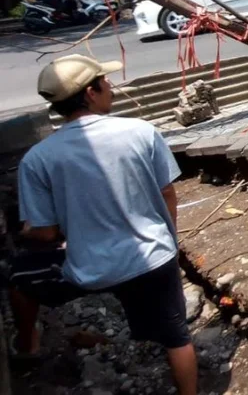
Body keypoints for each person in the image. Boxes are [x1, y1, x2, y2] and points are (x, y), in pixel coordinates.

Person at [9, 55, 196, 394]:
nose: (111, 87)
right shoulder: (141, 132)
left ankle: (28, 347)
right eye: (105, 83)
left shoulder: (37, 159)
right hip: (153, 259)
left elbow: (46, 232)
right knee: (178, 338)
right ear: (91, 93)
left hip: (91, 269)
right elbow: (167, 192)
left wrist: (29, 232)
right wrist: (170, 241)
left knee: (18, 277)